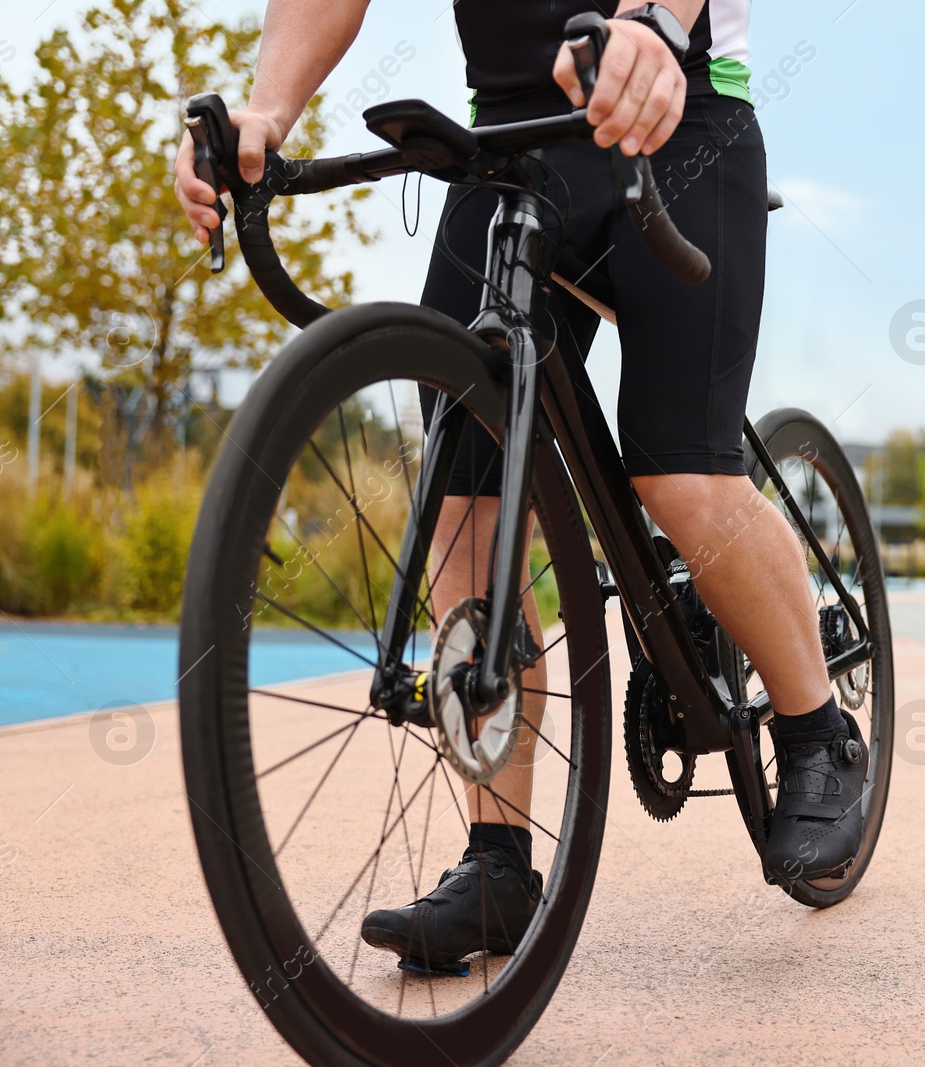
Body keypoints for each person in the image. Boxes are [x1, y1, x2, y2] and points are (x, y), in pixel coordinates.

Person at [173, 0, 866, 972]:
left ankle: (816, 729)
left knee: (680, 474)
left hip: (676, 114)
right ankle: (496, 860)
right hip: (503, 141)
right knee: (462, 502)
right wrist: (265, 115)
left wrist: (658, 25)